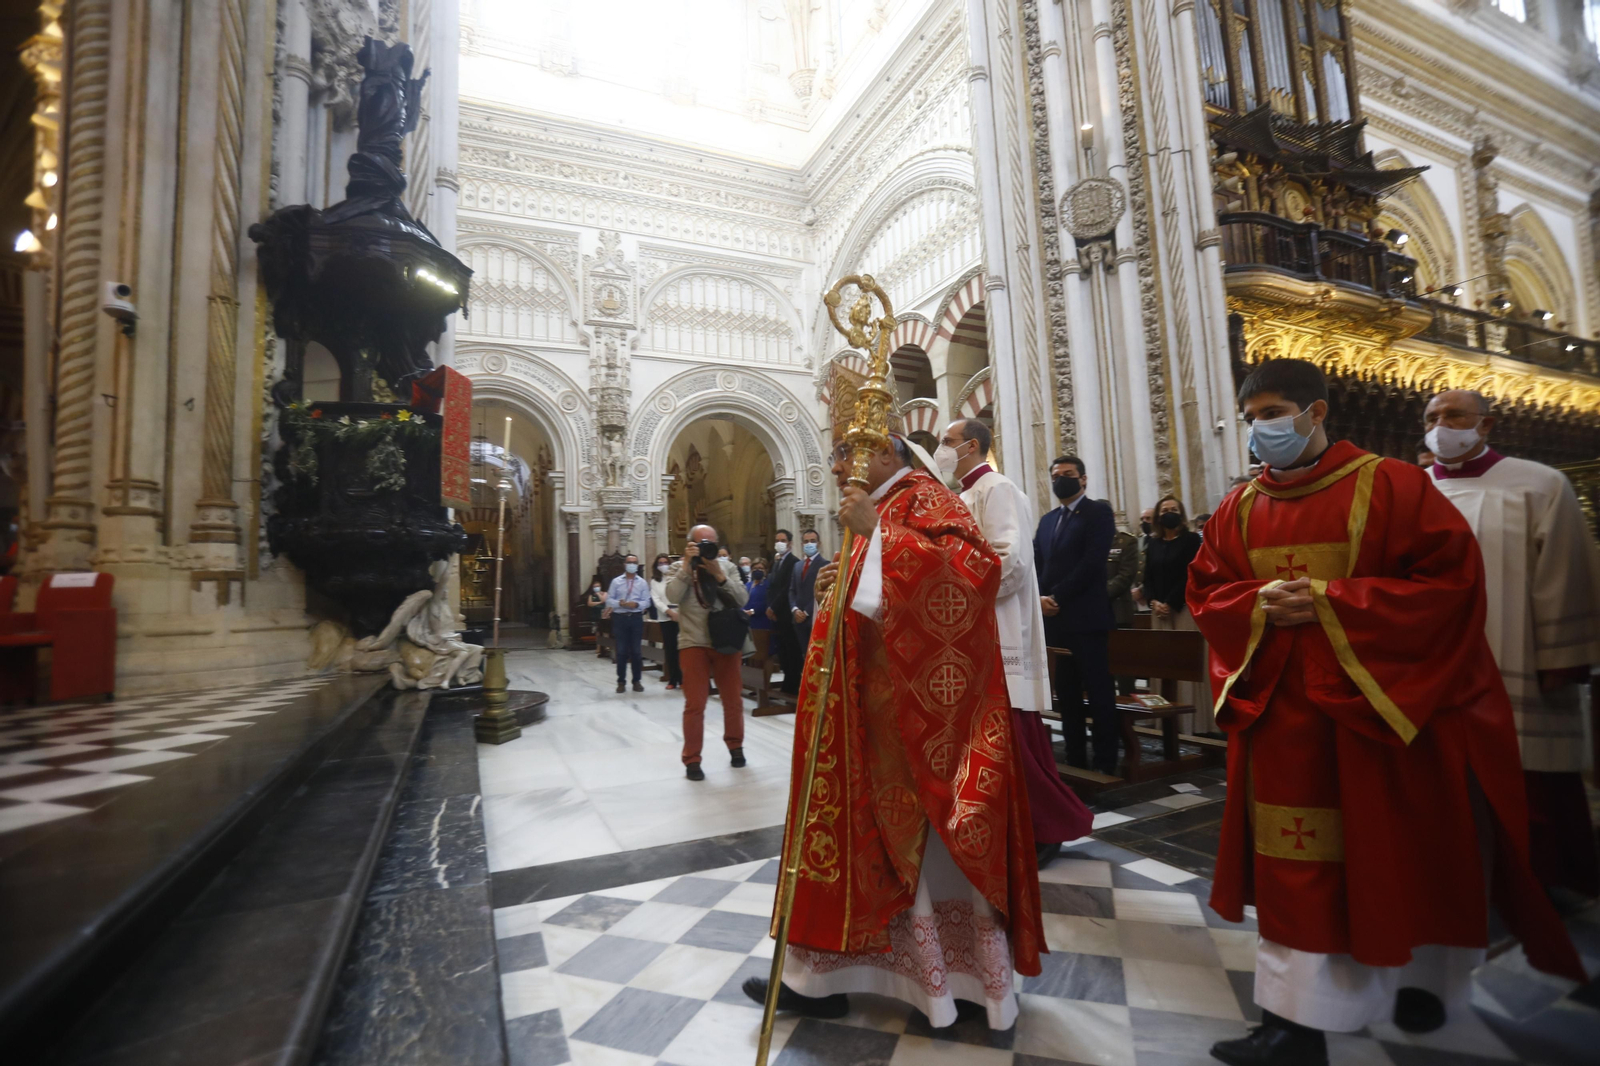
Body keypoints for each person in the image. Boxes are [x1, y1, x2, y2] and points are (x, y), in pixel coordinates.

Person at [1189, 359, 1582, 1066]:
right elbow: (1208, 588)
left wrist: (1335, 603)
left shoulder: (1393, 486)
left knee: (1404, 853)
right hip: (1287, 722)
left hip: (1384, 714)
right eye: (1251, 419)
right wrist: (1255, 606)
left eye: (1273, 413)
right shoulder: (1238, 507)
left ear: (1316, 412)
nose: (1260, 430)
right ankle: (1294, 1021)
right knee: (1297, 864)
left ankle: (1423, 984)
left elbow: (1451, 588)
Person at [742, 409, 1043, 1030]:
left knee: (915, 851)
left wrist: (878, 535)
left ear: (884, 454)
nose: (833, 468)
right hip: (855, 718)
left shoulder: (928, 500)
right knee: (838, 837)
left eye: (843, 454)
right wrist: (840, 575)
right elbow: (869, 599)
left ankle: (952, 982)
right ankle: (819, 976)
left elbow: (971, 579)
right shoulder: (878, 506)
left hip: (912, 728)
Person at [1424, 388, 1600, 896]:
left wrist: (1561, 660)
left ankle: (1534, 885)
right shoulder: (1406, 490)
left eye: (1454, 414)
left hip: (1517, 661)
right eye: (1432, 417)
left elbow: (1564, 576)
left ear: (1485, 425)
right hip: (1434, 672)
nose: (1442, 425)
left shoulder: (1540, 484)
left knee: (1529, 788)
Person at [937, 418, 1092, 865]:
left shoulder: (996, 489)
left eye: (948, 442)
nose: (943, 450)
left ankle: (1044, 829)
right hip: (973, 629)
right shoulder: (964, 494)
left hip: (997, 625)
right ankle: (1006, 824)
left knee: (1011, 738)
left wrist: (955, 593)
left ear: (971, 446)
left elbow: (1012, 561)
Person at [1033, 455, 1118, 773]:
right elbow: (1039, 563)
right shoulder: (1047, 520)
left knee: (1098, 691)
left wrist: (1056, 596)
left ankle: (1107, 760)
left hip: (1085, 617)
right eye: (1056, 475)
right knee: (1066, 693)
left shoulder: (1097, 513)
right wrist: (1039, 597)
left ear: (1083, 479)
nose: (1060, 479)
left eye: (1068, 474)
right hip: (1054, 620)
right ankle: (1075, 756)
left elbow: (1092, 562)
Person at [664, 525, 748, 780]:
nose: (705, 548)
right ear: (689, 545)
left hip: (726, 640)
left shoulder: (728, 567)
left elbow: (743, 599)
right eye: (700, 543)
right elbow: (672, 595)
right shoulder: (678, 567)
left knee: (733, 700)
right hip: (693, 641)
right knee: (695, 703)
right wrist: (688, 567)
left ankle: (736, 747)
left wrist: (720, 575)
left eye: (710, 543)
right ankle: (692, 759)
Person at [1139, 495, 1208, 729]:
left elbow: (1190, 574)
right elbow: (1147, 576)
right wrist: (1154, 601)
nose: (1169, 512)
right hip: (1158, 611)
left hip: (1183, 608)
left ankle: (1190, 722)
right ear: (1159, 515)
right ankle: (1164, 720)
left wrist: (1169, 602)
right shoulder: (1153, 542)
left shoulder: (1191, 541)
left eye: (1174, 509)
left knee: (1185, 662)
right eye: (1165, 509)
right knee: (1163, 663)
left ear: (1181, 513)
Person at [765, 529, 802, 695]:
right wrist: (770, 606)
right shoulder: (777, 562)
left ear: (790, 543)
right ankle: (787, 682)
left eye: (783, 539)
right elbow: (772, 587)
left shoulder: (793, 562)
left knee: (791, 650)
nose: (779, 542)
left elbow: (787, 588)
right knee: (782, 651)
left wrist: (774, 607)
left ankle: (793, 684)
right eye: (777, 539)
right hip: (777, 614)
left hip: (787, 612)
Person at [605, 554, 649, 694]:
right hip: (620, 618)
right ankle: (621, 682)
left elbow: (647, 601)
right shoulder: (616, 582)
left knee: (636, 652)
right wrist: (620, 603)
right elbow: (609, 600)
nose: (632, 564)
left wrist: (635, 604)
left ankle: (636, 681)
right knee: (622, 651)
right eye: (629, 562)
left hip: (636, 618)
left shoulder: (642, 583)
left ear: (637, 565)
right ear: (625, 565)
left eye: (634, 562)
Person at [649, 553, 682, 691]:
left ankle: (684, 679)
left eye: (665, 562)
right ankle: (673, 679)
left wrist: (678, 614)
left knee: (683, 649)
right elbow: (656, 600)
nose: (663, 565)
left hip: (681, 616)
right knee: (671, 650)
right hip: (665, 617)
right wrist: (669, 612)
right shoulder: (655, 581)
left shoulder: (677, 577)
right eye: (660, 563)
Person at [789, 528, 823, 660]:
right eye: (806, 541)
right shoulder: (797, 566)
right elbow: (792, 590)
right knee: (802, 657)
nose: (809, 544)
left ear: (819, 543)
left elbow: (821, 593)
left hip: (813, 617)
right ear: (802, 544)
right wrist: (795, 609)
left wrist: (806, 612)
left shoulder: (825, 564)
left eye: (813, 541)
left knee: (815, 656)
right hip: (797, 619)